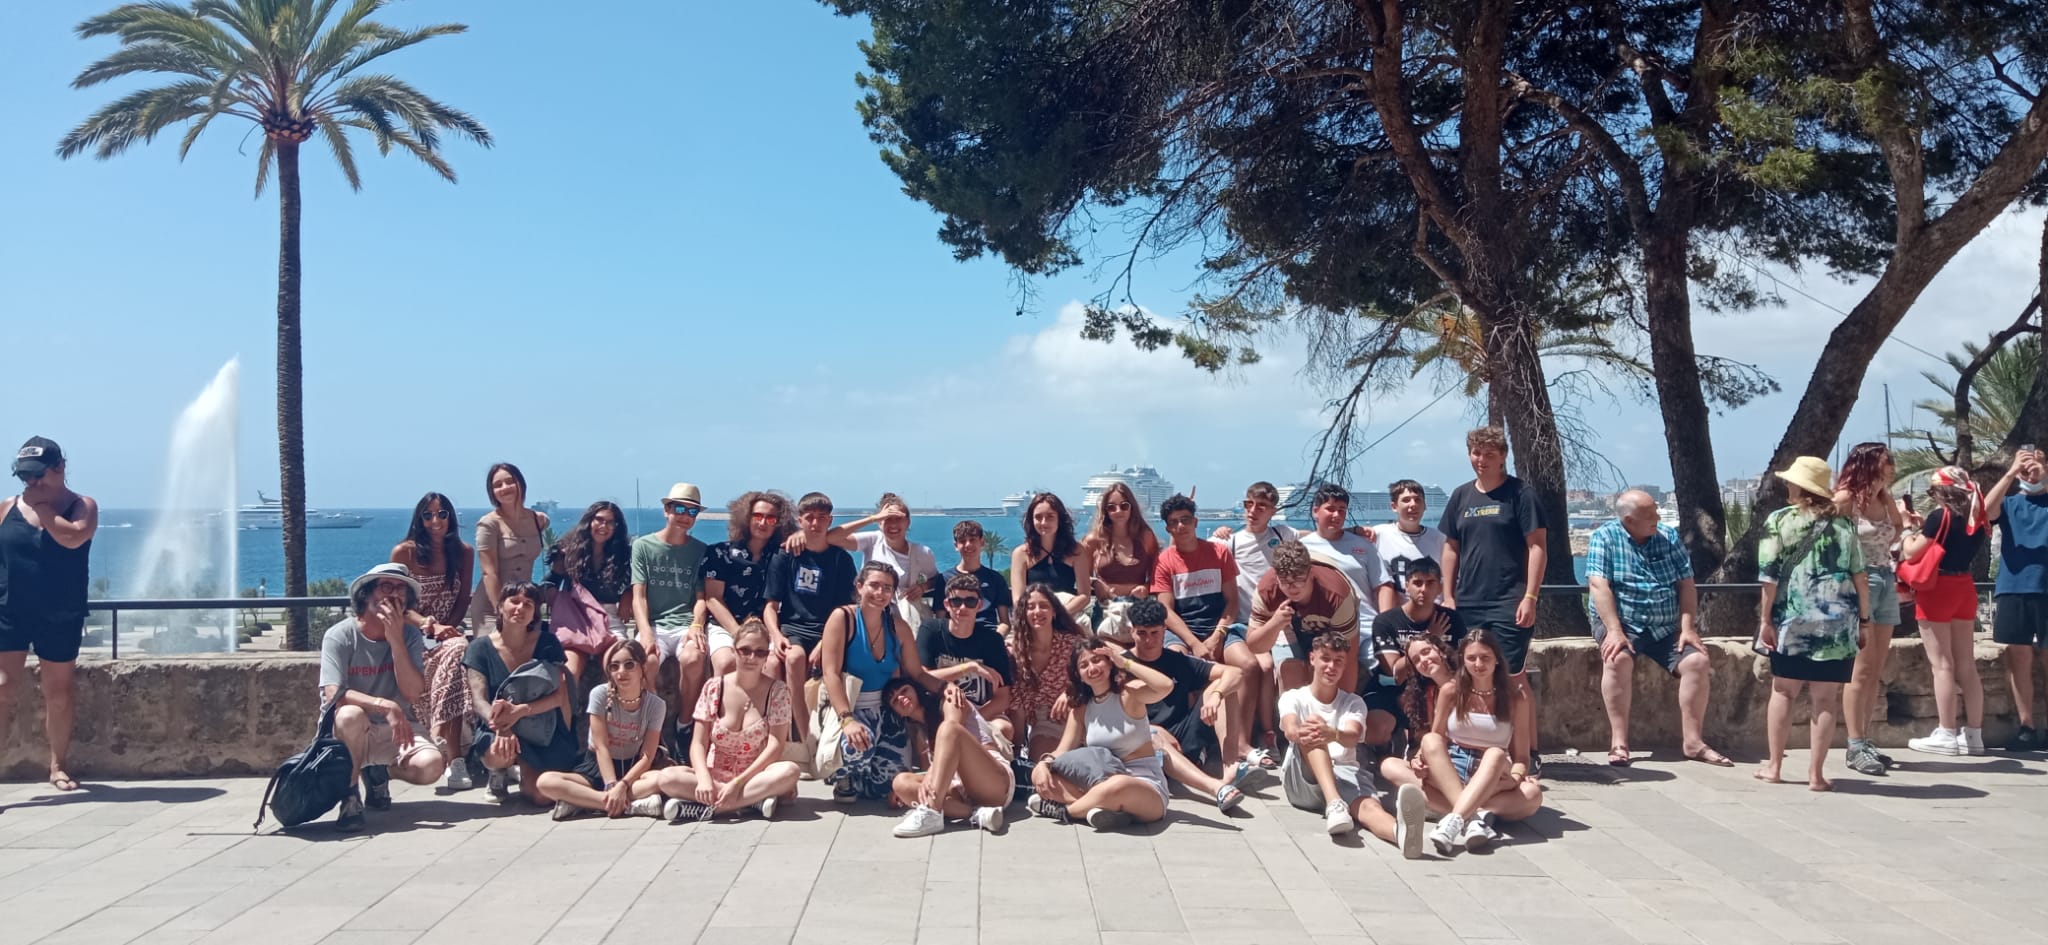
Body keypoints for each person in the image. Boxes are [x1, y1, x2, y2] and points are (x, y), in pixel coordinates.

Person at [1584, 490, 1731, 767]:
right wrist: (1614, 630)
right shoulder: (1605, 537)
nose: (1658, 518)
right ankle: (1619, 742)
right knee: (1617, 660)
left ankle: (1693, 742)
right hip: (1623, 622)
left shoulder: (1668, 536)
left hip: (1665, 625)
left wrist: (1687, 628)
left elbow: (1686, 584)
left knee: (1697, 662)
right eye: (1650, 515)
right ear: (1629, 520)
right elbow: (1598, 586)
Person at [1756, 456, 1869, 791]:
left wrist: (1764, 619)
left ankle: (1775, 767)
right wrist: (1864, 621)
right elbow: (1861, 577)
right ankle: (1816, 775)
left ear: (1799, 486)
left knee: (1783, 691)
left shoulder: (1779, 521)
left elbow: (1769, 577)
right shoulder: (1844, 525)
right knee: (1825, 699)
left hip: (1793, 620)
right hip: (1837, 623)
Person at [1436, 427, 1547, 762]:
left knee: (1512, 679)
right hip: (1468, 601)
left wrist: (1530, 596)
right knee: (1469, 675)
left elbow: (1537, 547)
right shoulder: (1461, 496)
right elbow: (1451, 547)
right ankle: (1473, 748)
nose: (1481, 460)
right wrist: (1448, 595)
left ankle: (1527, 753)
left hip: (1508, 601)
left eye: (1489, 454)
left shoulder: (1521, 494)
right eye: (1476, 453)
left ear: (1502, 457)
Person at [0, 436, 98, 794]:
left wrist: (43, 511)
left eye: (39, 475)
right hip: (9, 610)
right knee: (2, 687)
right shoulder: (6, 508)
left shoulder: (82, 506)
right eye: (25, 476)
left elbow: (73, 538)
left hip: (59, 612)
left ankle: (57, 765)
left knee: (58, 692)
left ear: (60, 468)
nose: (33, 483)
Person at [319, 564, 449, 831]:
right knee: (350, 714)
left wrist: (396, 640)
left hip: (396, 729)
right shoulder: (340, 636)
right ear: (367, 595)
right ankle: (350, 797)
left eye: (400, 589)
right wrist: (384, 705)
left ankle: (380, 773)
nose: (394, 595)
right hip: (349, 731)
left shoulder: (410, 636)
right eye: (385, 587)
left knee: (431, 766)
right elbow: (334, 694)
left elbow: (413, 692)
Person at [1279, 634, 1427, 855]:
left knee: (1369, 807)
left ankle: (1401, 833)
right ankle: (1334, 804)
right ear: (1312, 659)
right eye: (1325, 659)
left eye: (1338, 661)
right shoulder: (1293, 697)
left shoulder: (1353, 702)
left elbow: (1353, 735)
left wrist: (1332, 734)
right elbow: (1290, 729)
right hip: (1303, 777)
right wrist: (1316, 732)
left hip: (1345, 772)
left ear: (1345, 665)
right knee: (1313, 730)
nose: (1331, 667)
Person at [1153, 494, 1263, 768]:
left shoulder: (1219, 553)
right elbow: (1166, 611)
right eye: (1174, 522)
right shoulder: (1165, 561)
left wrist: (1217, 635)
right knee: (1177, 663)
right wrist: (1193, 643)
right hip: (1182, 631)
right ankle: (1193, 739)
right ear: (1167, 528)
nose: (1181, 526)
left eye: (1185, 520)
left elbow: (1232, 602)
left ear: (1195, 522)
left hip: (1219, 627)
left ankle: (1241, 741)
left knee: (1249, 665)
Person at [654, 619, 802, 819]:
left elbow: (775, 747)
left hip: (754, 776)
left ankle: (712, 808)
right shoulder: (714, 687)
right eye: (745, 650)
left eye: (759, 652)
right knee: (666, 778)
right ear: (734, 651)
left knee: (790, 771)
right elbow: (698, 743)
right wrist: (704, 779)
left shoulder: (778, 691)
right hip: (715, 774)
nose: (751, 657)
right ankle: (752, 802)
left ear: (767, 656)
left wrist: (737, 783)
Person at [821, 563, 942, 803]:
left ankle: (860, 778)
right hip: (851, 706)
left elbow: (917, 673)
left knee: (891, 782)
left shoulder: (898, 627)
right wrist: (847, 720)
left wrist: (947, 689)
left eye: (887, 588)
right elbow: (830, 673)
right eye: (874, 585)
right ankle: (842, 774)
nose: (880, 593)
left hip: (886, 708)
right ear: (859, 587)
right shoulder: (843, 619)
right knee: (857, 746)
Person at [1026, 638, 1176, 830]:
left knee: (1118, 784)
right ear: (1079, 675)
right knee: (1045, 776)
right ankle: (1103, 811)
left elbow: (1166, 686)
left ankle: (1066, 812)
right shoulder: (1080, 709)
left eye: (1097, 660)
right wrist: (1042, 765)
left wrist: (1125, 662)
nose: (1092, 668)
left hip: (1143, 785)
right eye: (1084, 665)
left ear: (1109, 663)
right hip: (1100, 782)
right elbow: (1062, 750)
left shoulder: (1129, 694)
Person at [1416, 629, 1543, 855]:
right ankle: (1474, 818)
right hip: (1455, 765)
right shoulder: (1451, 691)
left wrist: (1514, 779)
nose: (1478, 664)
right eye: (1471, 658)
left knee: (1532, 794)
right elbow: (1437, 740)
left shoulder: (1515, 696)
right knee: (1412, 752)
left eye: (1485, 658)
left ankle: (1452, 816)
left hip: (1494, 771)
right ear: (1463, 661)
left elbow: (1522, 757)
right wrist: (1419, 761)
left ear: (1497, 659)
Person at [1123, 599, 1251, 812]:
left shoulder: (1178, 660)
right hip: (1145, 740)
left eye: (1154, 633)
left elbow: (1236, 673)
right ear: (1131, 632)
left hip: (1183, 733)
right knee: (1152, 736)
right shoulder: (1122, 664)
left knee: (1225, 685)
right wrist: (1153, 729)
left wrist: (1216, 695)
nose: (1149, 640)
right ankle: (1214, 787)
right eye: (1142, 633)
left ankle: (1230, 766)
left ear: (1164, 630)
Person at [464, 581, 581, 806]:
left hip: (542, 725)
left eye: (528, 604)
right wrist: (502, 726)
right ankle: (499, 771)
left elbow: (559, 696)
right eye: (514, 601)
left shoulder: (547, 643)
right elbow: (478, 700)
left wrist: (521, 711)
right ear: (500, 606)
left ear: (534, 613)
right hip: (497, 726)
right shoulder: (479, 648)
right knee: (498, 752)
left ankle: (525, 773)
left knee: (541, 796)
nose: (520, 608)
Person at [390, 492, 476, 790]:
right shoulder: (405, 553)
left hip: (446, 635)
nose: (435, 521)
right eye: (428, 515)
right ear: (419, 519)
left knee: (457, 650)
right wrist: (428, 626)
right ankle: (455, 757)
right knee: (458, 654)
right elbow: (396, 603)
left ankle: (449, 750)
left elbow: (463, 599)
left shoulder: (463, 553)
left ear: (450, 517)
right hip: (411, 636)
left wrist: (445, 629)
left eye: (442, 514)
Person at [1902, 467, 1988, 756]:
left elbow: (1911, 551)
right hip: (1965, 586)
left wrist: (1907, 529)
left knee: (1942, 664)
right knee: (1966, 664)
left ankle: (1946, 733)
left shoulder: (1941, 516)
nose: (1933, 496)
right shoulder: (1976, 517)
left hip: (1938, 588)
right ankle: (1974, 735)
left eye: (1933, 491)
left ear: (1943, 490)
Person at [535, 639, 670, 820]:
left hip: (633, 770)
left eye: (629, 665)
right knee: (545, 782)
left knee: (664, 779)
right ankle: (627, 806)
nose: (621, 672)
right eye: (614, 666)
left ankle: (582, 801)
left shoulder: (656, 705)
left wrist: (623, 784)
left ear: (642, 668)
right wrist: (611, 785)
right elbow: (601, 746)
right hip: (598, 767)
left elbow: (647, 756)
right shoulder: (599, 694)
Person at [1834, 443, 1904, 774]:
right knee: (1859, 669)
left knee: (1876, 668)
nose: (1892, 467)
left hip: (1885, 579)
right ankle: (1855, 745)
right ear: (1869, 464)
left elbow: (1898, 527)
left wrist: (1882, 543)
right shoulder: (1846, 499)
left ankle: (1865, 738)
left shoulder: (1883, 497)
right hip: (1858, 583)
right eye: (1886, 461)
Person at [766, 492, 857, 727]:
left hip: (830, 630)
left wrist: (824, 643)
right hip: (793, 628)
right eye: (809, 518)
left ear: (830, 520)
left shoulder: (841, 559)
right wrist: (775, 635)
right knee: (794, 657)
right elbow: (771, 605)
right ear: (800, 520)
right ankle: (801, 729)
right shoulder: (785, 555)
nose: (815, 523)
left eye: (822, 517)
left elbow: (848, 607)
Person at [1251, 540, 1364, 715]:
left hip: (1331, 625)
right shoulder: (1267, 590)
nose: (1292, 588)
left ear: (1310, 573)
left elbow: (1348, 657)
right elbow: (1254, 645)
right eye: (1285, 581)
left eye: (1299, 580)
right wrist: (1274, 624)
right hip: (1287, 625)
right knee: (1290, 669)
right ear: (1276, 577)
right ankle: (1294, 725)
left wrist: (1340, 712)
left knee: (1328, 667)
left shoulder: (1337, 595)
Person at [1983, 447, 2048, 751]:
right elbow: (1985, 511)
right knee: (2019, 657)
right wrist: (2010, 473)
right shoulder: (2010, 504)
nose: (2030, 474)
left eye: (2035, 467)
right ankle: (2026, 726)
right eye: (2025, 469)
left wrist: (2043, 474)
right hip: (2014, 587)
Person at [890, 682, 1012, 836]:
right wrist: (905, 793)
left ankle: (932, 811)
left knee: (948, 728)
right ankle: (977, 814)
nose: (901, 698)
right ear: (898, 713)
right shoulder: (920, 735)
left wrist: (930, 776)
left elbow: (953, 731)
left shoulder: (950, 701)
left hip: (991, 781)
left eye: (904, 690)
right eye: (894, 700)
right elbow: (934, 778)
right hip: (960, 789)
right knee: (901, 783)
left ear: (916, 689)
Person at [631, 483, 709, 717]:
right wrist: (645, 632)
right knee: (646, 661)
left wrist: (697, 625)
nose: (685, 516)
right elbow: (639, 596)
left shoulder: (701, 550)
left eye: (692, 511)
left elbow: (701, 597)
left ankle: (685, 722)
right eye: (680, 509)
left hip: (685, 624)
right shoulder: (643, 546)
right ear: (667, 510)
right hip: (654, 624)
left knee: (693, 659)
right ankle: (652, 718)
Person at [811, 493, 941, 624]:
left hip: (904, 619)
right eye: (887, 519)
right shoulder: (873, 541)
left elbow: (936, 579)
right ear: (880, 523)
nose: (893, 524)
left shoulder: (922, 553)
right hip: (871, 615)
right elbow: (830, 538)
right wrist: (871, 518)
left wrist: (923, 587)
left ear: (908, 522)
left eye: (898, 519)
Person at [544, 501, 633, 686]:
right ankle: (566, 707)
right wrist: (555, 598)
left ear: (617, 527)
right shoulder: (567, 552)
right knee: (568, 674)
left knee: (620, 667)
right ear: (589, 521)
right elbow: (550, 581)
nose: (603, 526)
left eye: (610, 522)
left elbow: (636, 583)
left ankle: (612, 707)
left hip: (610, 622)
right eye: (599, 520)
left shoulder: (624, 555)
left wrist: (627, 595)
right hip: (576, 623)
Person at [918, 573, 1015, 731]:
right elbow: (922, 677)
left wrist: (972, 722)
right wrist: (969, 667)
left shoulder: (992, 640)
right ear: (947, 604)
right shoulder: (931, 630)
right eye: (956, 601)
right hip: (941, 708)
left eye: (970, 601)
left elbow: (1003, 697)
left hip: (980, 712)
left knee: (1004, 728)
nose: (962, 608)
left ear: (979, 605)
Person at [1008, 583, 1088, 760]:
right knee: (1043, 763)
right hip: (1045, 720)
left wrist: (1070, 692)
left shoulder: (1073, 644)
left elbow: (1096, 676)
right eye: (1030, 607)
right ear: (1024, 614)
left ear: (1054, 611)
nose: (1037, 611)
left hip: (1078, 712)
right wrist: (1017, 750)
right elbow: (1017, 704)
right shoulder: (1017, 652)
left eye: (1043, 606)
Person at [702, 490, 792, 638]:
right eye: (757, 516)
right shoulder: (720, 552)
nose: (762, 523)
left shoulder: (781, 557)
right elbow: (713, 599)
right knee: (726, 655)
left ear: (779, 523)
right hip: (724, 627)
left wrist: (800, 535)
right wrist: (739, 634)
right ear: (746, 518)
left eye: (771, 518)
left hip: (767, 630)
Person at [470, 462, 549, 630]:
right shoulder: (488, 524)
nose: (504, 488)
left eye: (510, 481)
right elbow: (489, 572)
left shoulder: (539, 520)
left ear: (521, 483)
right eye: (498, 485)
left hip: (524, 604)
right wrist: (501, 610)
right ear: (492, 492)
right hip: (491, 606)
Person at [1297, 483, 1387, 622]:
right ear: (1315, 511)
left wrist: (1386, 622)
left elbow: (1383, 585)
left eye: (1342, 510)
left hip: (1365, 623)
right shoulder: (1302, 548)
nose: (1337, 515)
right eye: (1330, 509)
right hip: (1321, 625)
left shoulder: (1363, 545)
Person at [1083, 482, 1160, 636]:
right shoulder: (1093, 540)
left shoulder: (1145, 537)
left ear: (1132, 507)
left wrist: (1145, 588)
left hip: (1138, 608)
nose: (1118, 511)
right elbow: (1081, 576)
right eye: (1112, 507)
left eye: (1124, 506)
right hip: (1106, 607)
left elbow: (1158, 574)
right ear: (1105, 511)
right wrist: (1095, 584)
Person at [1011, 493, 1094, 623]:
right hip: (1034, 618)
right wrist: (1040, 615)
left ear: (1060, 519)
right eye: (1038, 517)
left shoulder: (1076, 551)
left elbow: (1084, 595)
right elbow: (1018, 599)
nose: (1044, 522)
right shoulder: (1020, 554)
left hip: (1067, 616)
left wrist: (1058, 614)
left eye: (1050, 517)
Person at [927, 520, 1012, 634]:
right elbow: (941, 621)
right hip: (956, 636)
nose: (968, 545)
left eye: (972, 540)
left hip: (988, 635)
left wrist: (996, 639)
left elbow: (1005, 623)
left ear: (982, 542)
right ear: (956, 546)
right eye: (962, 541)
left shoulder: (996, 579)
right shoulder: (944, 579)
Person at [1375, 479, 1448, 612]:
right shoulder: (1379, 535)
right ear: (1394, 506)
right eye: (1406, 500)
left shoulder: (1439, 539)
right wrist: (1357, 530)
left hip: (1432, 616)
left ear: (1425, 506)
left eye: (1418, 500)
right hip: (1395, 617)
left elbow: (1450, 580)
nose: (1413, 505)